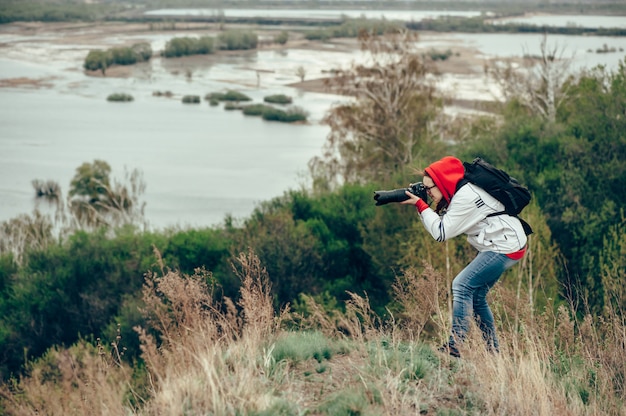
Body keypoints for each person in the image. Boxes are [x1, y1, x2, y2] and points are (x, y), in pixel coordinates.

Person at [400, 156, 528, 357]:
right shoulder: (458, 191)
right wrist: (422, 203)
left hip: (505, 246)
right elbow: (443, 221)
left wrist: (421, 206)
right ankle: (493, 353)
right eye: (424, 189)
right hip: (504, 243)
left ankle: (456, 345)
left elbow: (441, 232)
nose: (427, 193)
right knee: (477, 297)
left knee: (462, 285)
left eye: (429, 188)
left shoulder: (465, 196)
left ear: (442, 182)